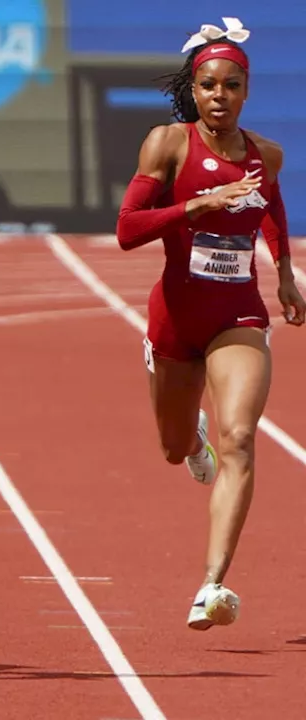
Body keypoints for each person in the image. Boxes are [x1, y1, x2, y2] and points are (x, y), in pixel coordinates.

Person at [115, 18, 305, 631]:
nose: (219, 96)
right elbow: (126, 229)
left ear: (246, 91)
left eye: (230, 86)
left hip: (237, 316)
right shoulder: (167, 145)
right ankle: (190, 438)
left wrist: (284, 274)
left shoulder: (265, 156)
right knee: (175, 449)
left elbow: (271, 210)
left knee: (243, 438)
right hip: (175, 318)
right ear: (193, 91)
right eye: (208, 86)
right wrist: (197, 204)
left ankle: (212, 584)